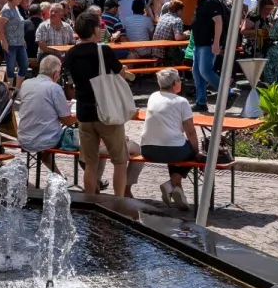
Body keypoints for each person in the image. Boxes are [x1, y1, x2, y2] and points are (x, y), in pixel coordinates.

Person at [59, 12, 142, 198]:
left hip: (84, 112)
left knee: (90, 163)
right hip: (107, 111)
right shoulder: (103, 51)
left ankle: (90, 203)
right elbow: (121, 73)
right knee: (120, 161)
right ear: (95, 29)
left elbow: (69, 82)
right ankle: (119, 202)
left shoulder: (71, 53)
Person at [140, 67, 210, 210]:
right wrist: (197, 151)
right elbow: (191, 132)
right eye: (179, 80)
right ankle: (172, 184)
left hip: (147, 149)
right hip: (170, 150)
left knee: (174, 144)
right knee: (189, 150)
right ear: (175, 84)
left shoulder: (153, 96)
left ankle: (179, 191)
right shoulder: (181, 102)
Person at [17, 55, 78, 172]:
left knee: (44, 131)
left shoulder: (26, 84)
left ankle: (59, 176)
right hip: (45, 139)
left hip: (24, 138)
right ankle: (95, 181)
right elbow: (67, 120)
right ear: (55, 74)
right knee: (79, 139)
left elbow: (39, 103)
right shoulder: (54, 87)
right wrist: (82, 114)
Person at [189, 0, 230, 112]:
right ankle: (201, 101)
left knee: (205, 71)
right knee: (197, 72)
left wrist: (216, 43)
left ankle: (228, 93)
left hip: (208, 43)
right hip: (199, 43)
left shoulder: (211, 1)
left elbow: (218, 22)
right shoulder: (201, 1)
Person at [0, 0, 28, 88]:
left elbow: (18, 24)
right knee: (10, 68)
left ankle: (17, 88)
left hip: (19, 42)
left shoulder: (16, 8)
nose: (21, 0)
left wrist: (22, 39)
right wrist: (4, 42)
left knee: (24, 65)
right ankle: (10, 88)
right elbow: (0, 26)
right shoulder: (6, 10)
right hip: (10, 43)